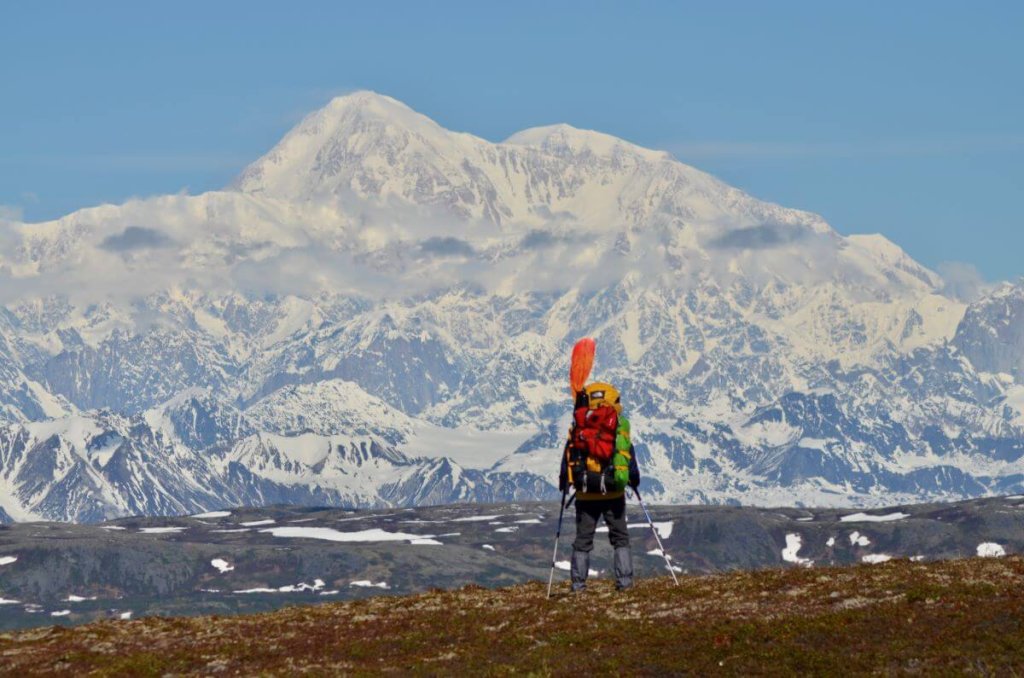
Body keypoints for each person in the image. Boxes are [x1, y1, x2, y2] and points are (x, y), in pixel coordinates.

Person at [559, 382, 640, 592]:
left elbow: (569, 455)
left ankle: (578, 586)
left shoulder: (579, 425)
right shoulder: (617, 424)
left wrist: (565, 482)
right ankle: (625, 584)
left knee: (583, 540)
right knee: (620, 538)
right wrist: (633, 480)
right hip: (613, 491)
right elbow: (626, 454)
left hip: (586, 493)